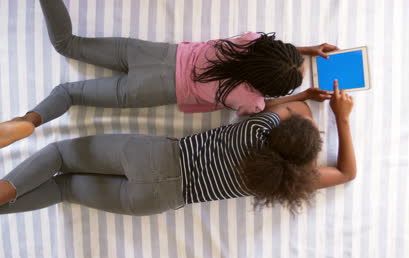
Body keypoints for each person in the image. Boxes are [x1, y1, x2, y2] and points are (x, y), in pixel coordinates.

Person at [0, 0, 337, 148]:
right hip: (152, 89)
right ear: (268, 87)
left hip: (152, 53)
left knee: (67, 43)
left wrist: (306, 50)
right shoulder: (250, 98)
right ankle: (30, 120)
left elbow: (267, 52)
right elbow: (264, 108)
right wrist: (303, 96)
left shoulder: (246, 44)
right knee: (69, 93)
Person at [0, 80, 355, 215]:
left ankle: (6, 189)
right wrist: (343, 122)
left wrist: (314, 104)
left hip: (156, 158)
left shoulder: (259, 127)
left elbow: (291, 109)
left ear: (282, 131)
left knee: (61, 155)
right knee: (63, 188)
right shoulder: (281, 183)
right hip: (157, 200)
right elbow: (345, 172)